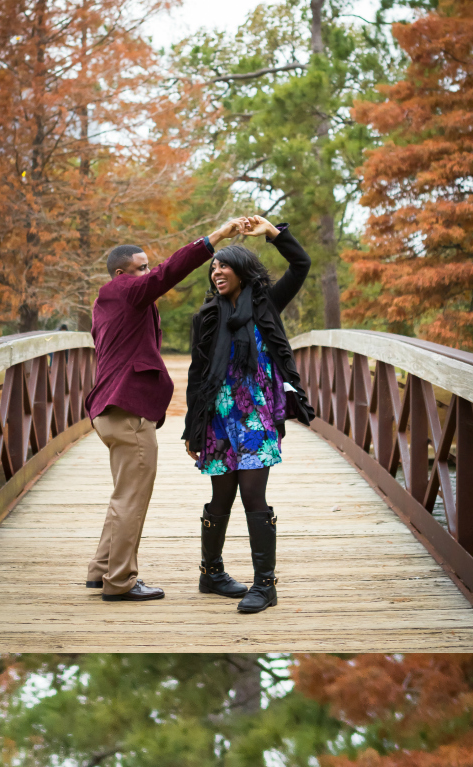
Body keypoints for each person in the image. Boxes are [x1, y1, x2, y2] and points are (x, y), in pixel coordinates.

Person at [83, 216, 254, 602]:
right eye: (141, 267)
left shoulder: (103, 305)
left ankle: (100, 570)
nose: (147, 272)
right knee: (132, 498)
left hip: (108, 411)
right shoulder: (127, 291)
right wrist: (215, 238)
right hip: (128, 412)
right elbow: (169, 272)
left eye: (146, 267)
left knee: (122, 494)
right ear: (121, 273)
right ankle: (121, 581)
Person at [183, 216, 315, 614]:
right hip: (219, 418)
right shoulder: (207, 318)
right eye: (212, 267)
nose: (216, 271)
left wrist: (273, 233)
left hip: (255, 418)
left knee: (253, 495)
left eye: (223, 265)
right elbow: (196, 374)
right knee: (219, 494)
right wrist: (192, 428)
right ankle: (211, 572)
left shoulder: (267, 305)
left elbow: (301, 265)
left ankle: (265, 586)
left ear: (241, 269)